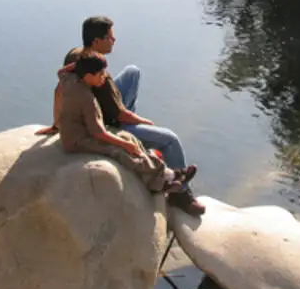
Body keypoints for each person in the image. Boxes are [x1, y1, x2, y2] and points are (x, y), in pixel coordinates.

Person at [36, 16, 206, 216]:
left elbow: (59, 88)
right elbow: (118, 113)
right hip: (108, 120)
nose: (114, 41)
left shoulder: (80, 59)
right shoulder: (95, 75)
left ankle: (141, 135)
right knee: (169, 139)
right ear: (96, 42)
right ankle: (180, 195)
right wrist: (141, 122)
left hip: (108, 106)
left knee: (132, 72)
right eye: (109, 37)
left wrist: (56, 123)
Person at [56, 51, 198, 197]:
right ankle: (159, 183)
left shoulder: (69, 79)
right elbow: (97, 132)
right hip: (79, 140)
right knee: (120, 151)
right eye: (100, 74)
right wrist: (125, 145)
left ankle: (167, 173)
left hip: (81, 131)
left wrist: (82, 64)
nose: (104, 77)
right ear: (89, 75)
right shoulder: (86, 99)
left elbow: (61, 71)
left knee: (129, 137)